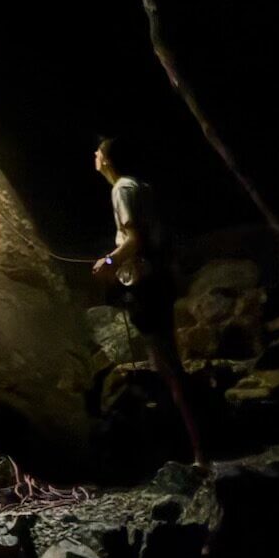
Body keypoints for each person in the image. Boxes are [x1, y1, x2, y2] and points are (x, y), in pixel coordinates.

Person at [92, 136, 207, 467]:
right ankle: (189, 447)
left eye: (99, 152)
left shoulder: (122, 190)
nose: (95, 156)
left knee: (167, 367)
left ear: (108, 159)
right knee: (165, 364)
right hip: (160, 281)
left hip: (147, 285)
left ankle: (198, 453)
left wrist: (109, 263)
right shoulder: (141, 186)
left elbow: (134, 239)